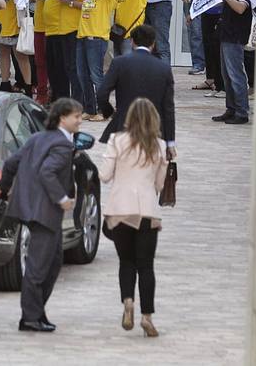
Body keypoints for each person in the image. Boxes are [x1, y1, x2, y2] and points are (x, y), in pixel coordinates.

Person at [0, 97, 83, 333]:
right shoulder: (63, 145)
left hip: (33, 210)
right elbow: (47, 173)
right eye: (76, 116)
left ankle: (36, 312)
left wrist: (3, 188)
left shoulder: (36, 138)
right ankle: (30, 317)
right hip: (45, 212)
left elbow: (11, 163)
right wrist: (63, 199)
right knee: (39, 267)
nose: (80, 121)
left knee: (53, 263)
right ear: (63, 118)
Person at [98, 97, 169, 338]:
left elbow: (105, 175)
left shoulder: (116, 141)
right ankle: (147, 316)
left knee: (126, 262)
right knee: (146, 266)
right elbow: (159, 184)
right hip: (147, 211)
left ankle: (128, 302)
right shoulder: (159, 146)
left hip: (120, 210)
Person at [96, 24, 176, 155]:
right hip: (154, 129)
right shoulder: (164, 68)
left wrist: (111, 114)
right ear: (153, 43)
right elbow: (168, 108)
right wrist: (170, 142)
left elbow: (102, 94)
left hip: (124, 125)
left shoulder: (119, 63)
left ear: (132, 41)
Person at [72, 0, 115, 122]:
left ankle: (104, 110)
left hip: (96, 39)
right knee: (83, 75)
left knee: (96, 75)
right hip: (82, 37)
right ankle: (90, 109)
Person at [211, 0, 254, 125]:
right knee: (226, 75)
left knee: (236, 74)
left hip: (236, 36)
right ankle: (231, 108)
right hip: (226, 35)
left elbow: (241, 8)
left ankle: (242, 111)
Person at [40, 0, 84, 101]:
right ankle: (57, 101)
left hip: (68, 30)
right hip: (51, 30)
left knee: (67, 70)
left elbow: (89, 4)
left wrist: (70, 3)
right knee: (53, 70)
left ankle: (68, 102)